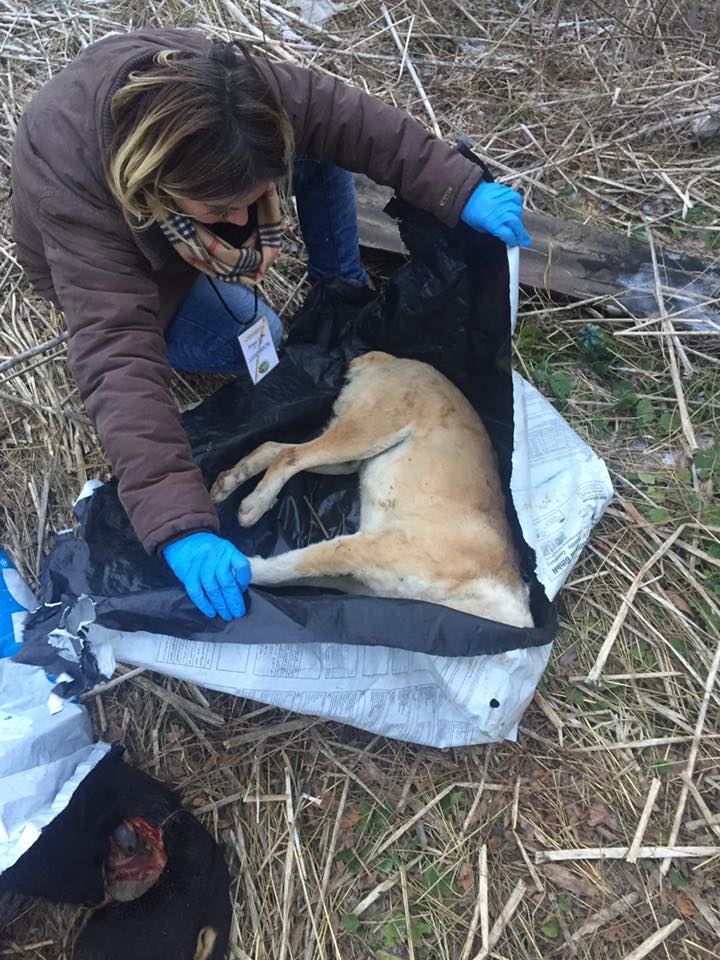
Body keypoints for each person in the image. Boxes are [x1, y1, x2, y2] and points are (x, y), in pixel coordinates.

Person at [11, 28, 531, 623]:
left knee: (315, 149)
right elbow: (117, 362)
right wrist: (179, 525)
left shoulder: (237, 92)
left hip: (189, 187)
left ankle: (340, 285)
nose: (240, 220)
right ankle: (192, 282)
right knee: (259, 333)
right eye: (220, 212)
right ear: (160, 188)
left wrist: (455, 187)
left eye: (250, 200)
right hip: (138, 272)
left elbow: (349, 120)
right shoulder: (80, 199)